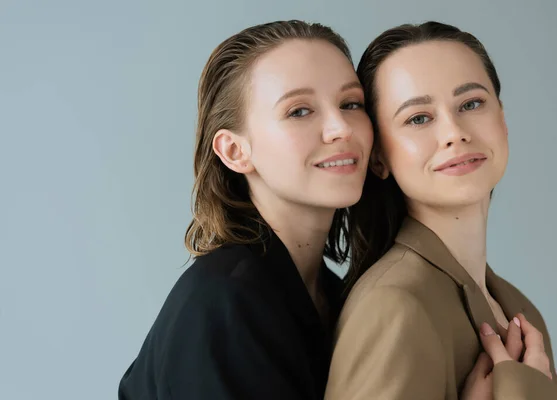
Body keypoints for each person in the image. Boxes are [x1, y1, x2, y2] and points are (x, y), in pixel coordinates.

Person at [117, 20, 374, 399]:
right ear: (235, 151)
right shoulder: (224, 304)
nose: (340, 128)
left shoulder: (333, 295)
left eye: (351, 103)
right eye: (299, 111)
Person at [325, 21, 557, 399]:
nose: (454, 131)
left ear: (502, 120)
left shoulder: (522, 311)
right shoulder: (393, 307)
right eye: (418, 118)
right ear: (378, 158)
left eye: (471, 103)